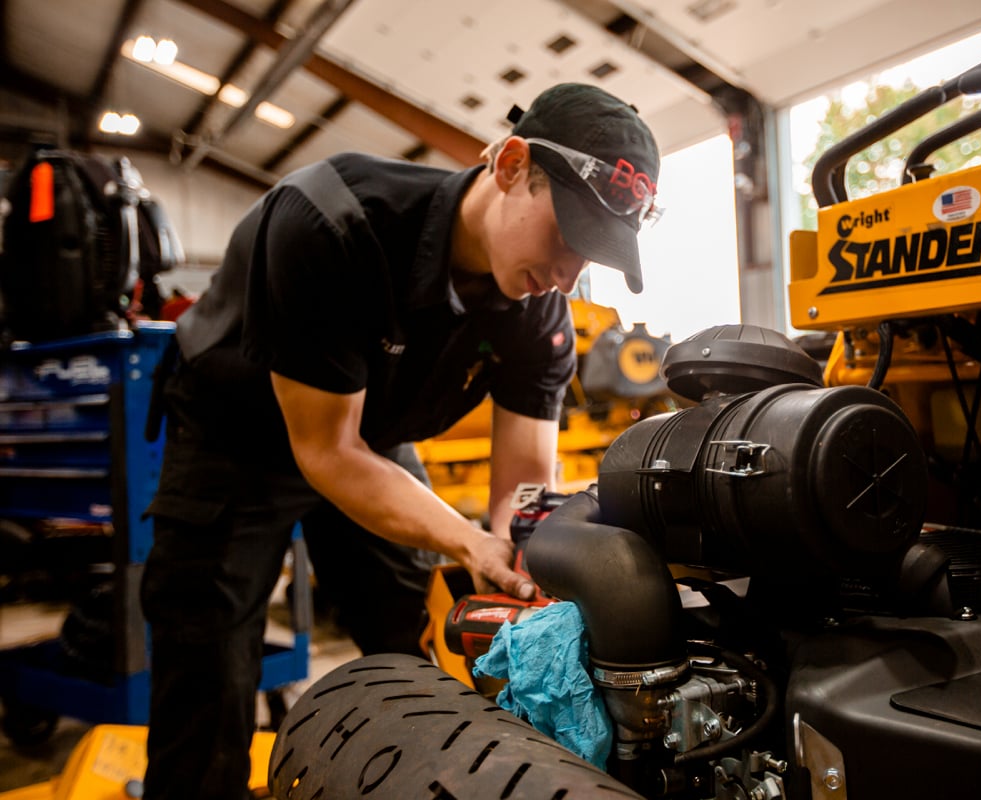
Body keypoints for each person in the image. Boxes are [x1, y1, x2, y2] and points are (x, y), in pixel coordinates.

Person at [139, 82, 662, 800]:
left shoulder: (542, 316)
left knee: (424, 636)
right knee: (208, 666)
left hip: (373, 439)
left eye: (594, 254)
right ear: (510, 166)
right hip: (238, 435)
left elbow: (521, 494)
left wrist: (520, 564)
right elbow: (326, 451)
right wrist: (466, 539)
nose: (570, 273)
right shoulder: (331, 223)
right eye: (568, 235)